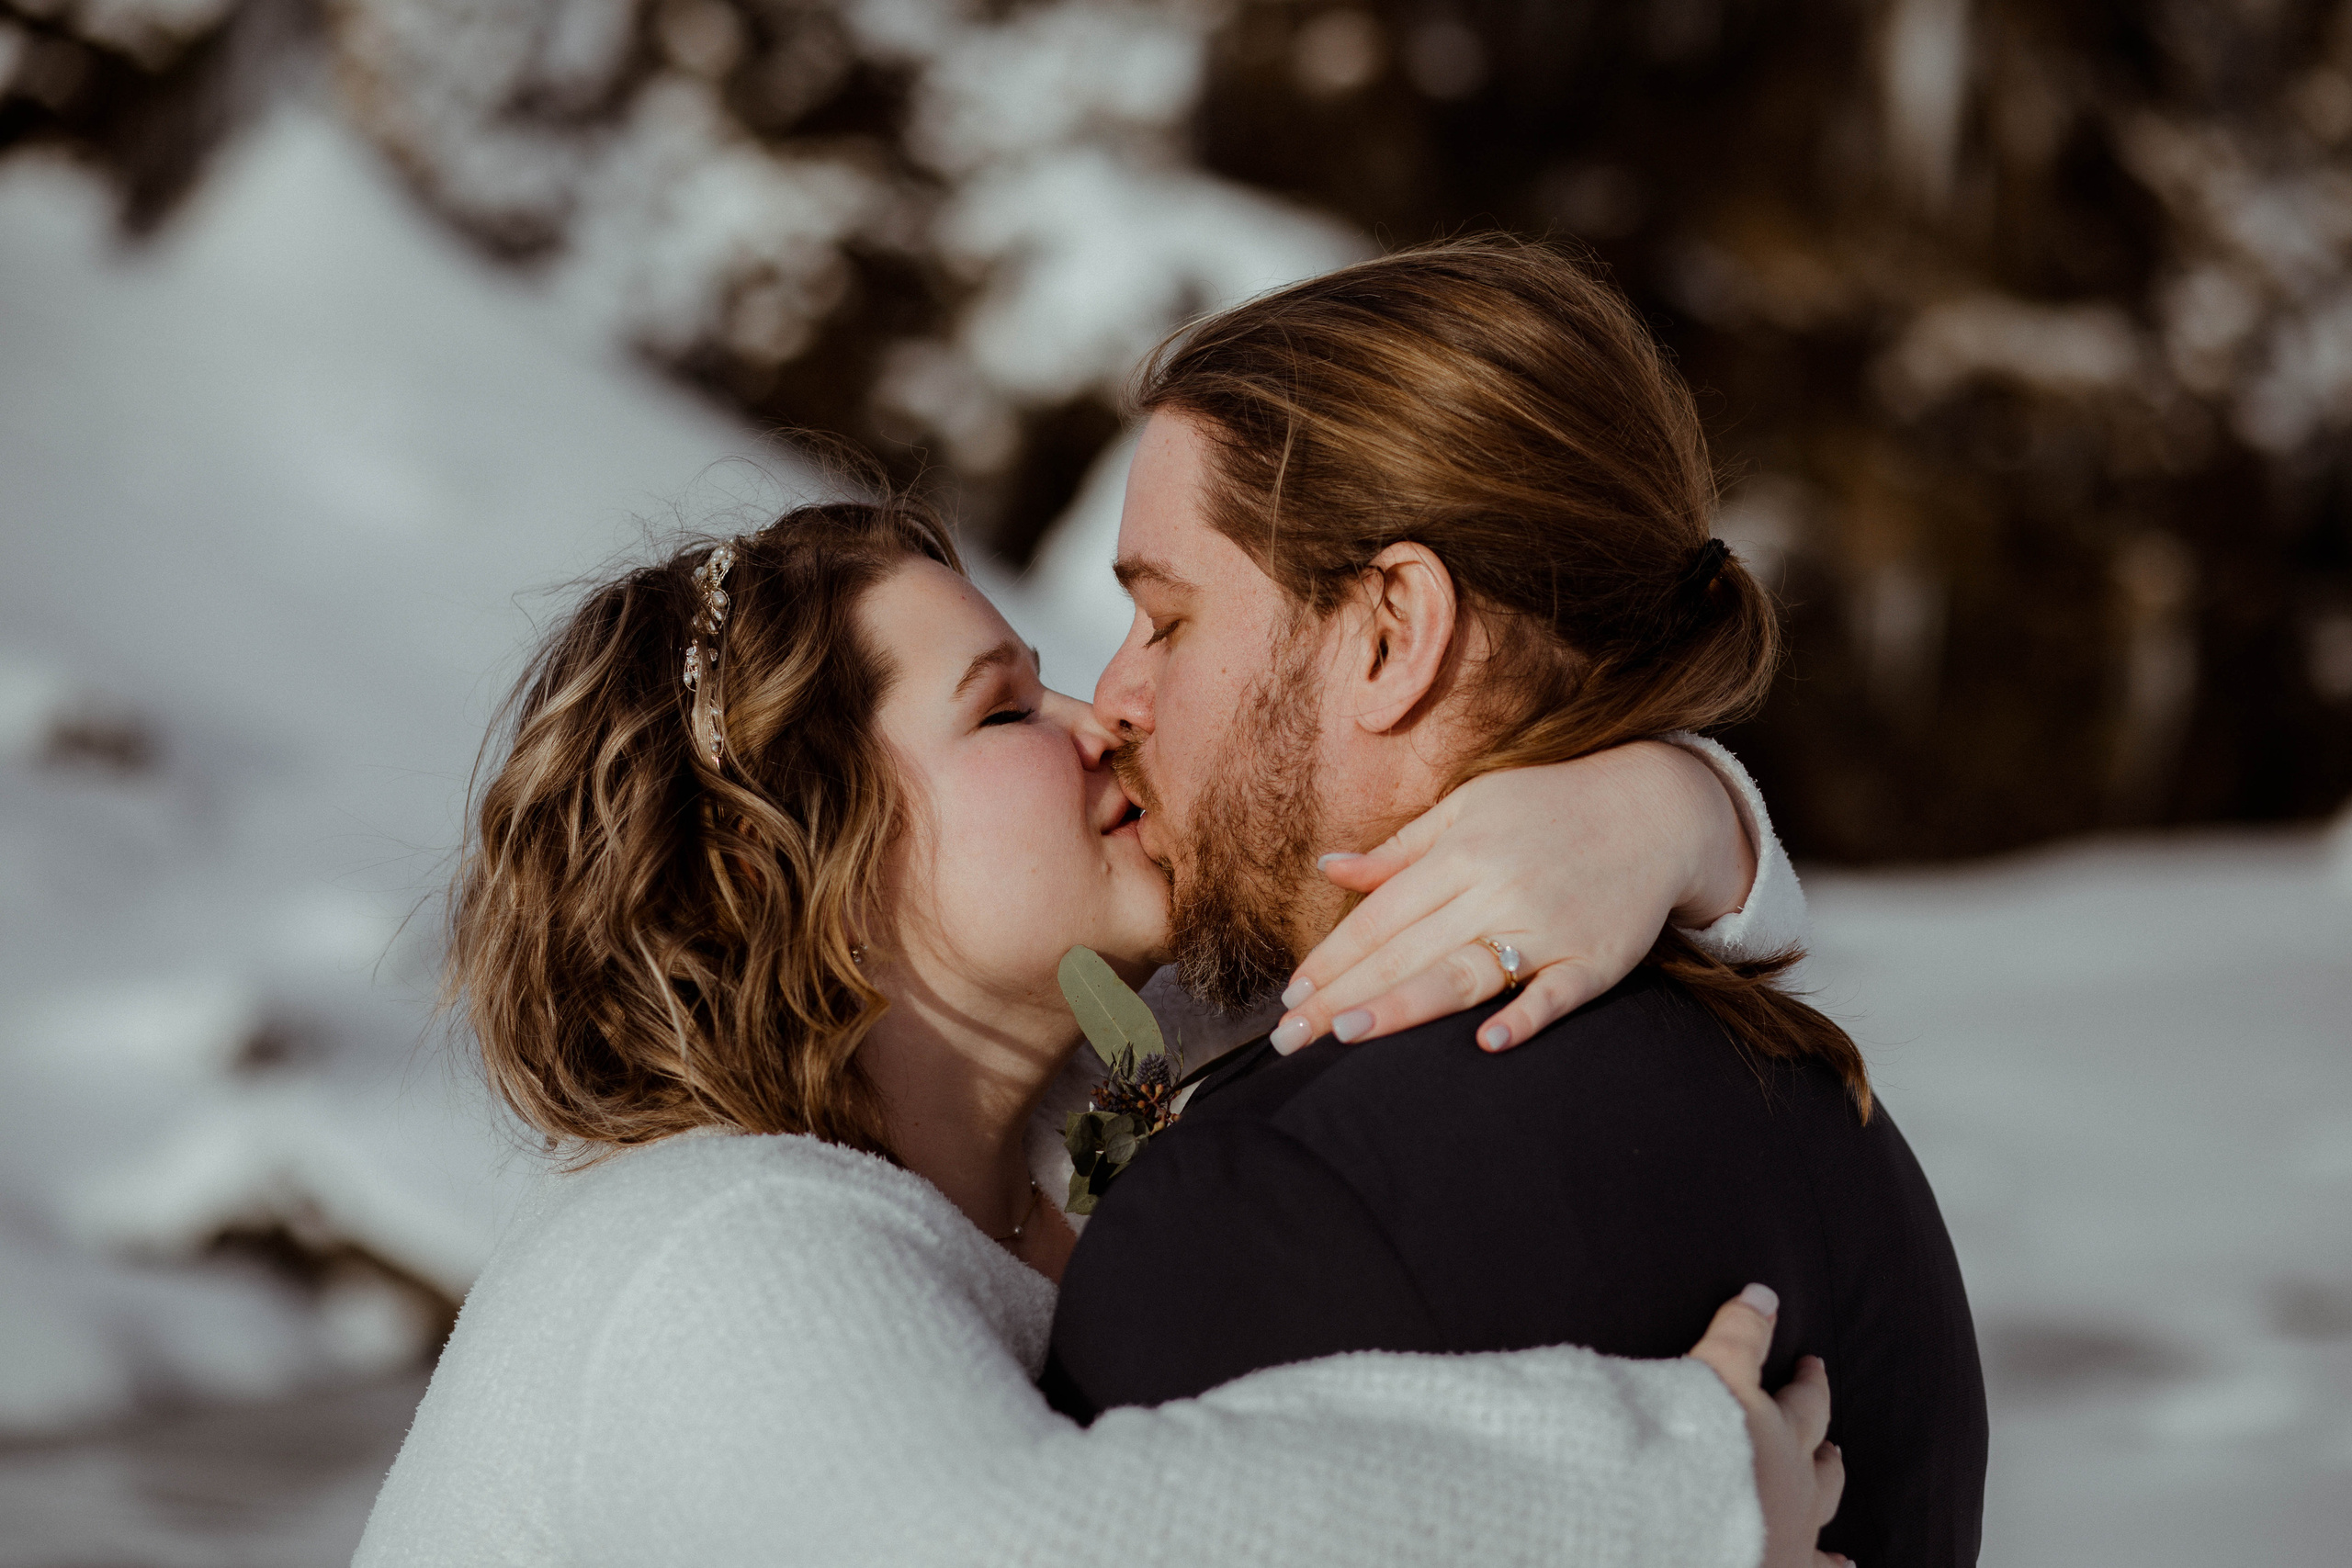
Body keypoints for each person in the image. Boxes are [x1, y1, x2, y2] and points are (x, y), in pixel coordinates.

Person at [353, 497, 1854, 1566]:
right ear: (778, 856)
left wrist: (1669, 810)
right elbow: (1024, 1547)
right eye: (1004, 711)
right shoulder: (702, 1241)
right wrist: (1679, 1490)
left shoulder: (1098, 1102)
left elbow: (1487, 897)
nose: (1101, 716)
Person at [1045, 241, 1990, 1567]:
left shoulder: (1274, 1203)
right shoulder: (1843, 1135)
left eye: (1168, 619)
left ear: (1391, 631)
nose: (1114, 696)